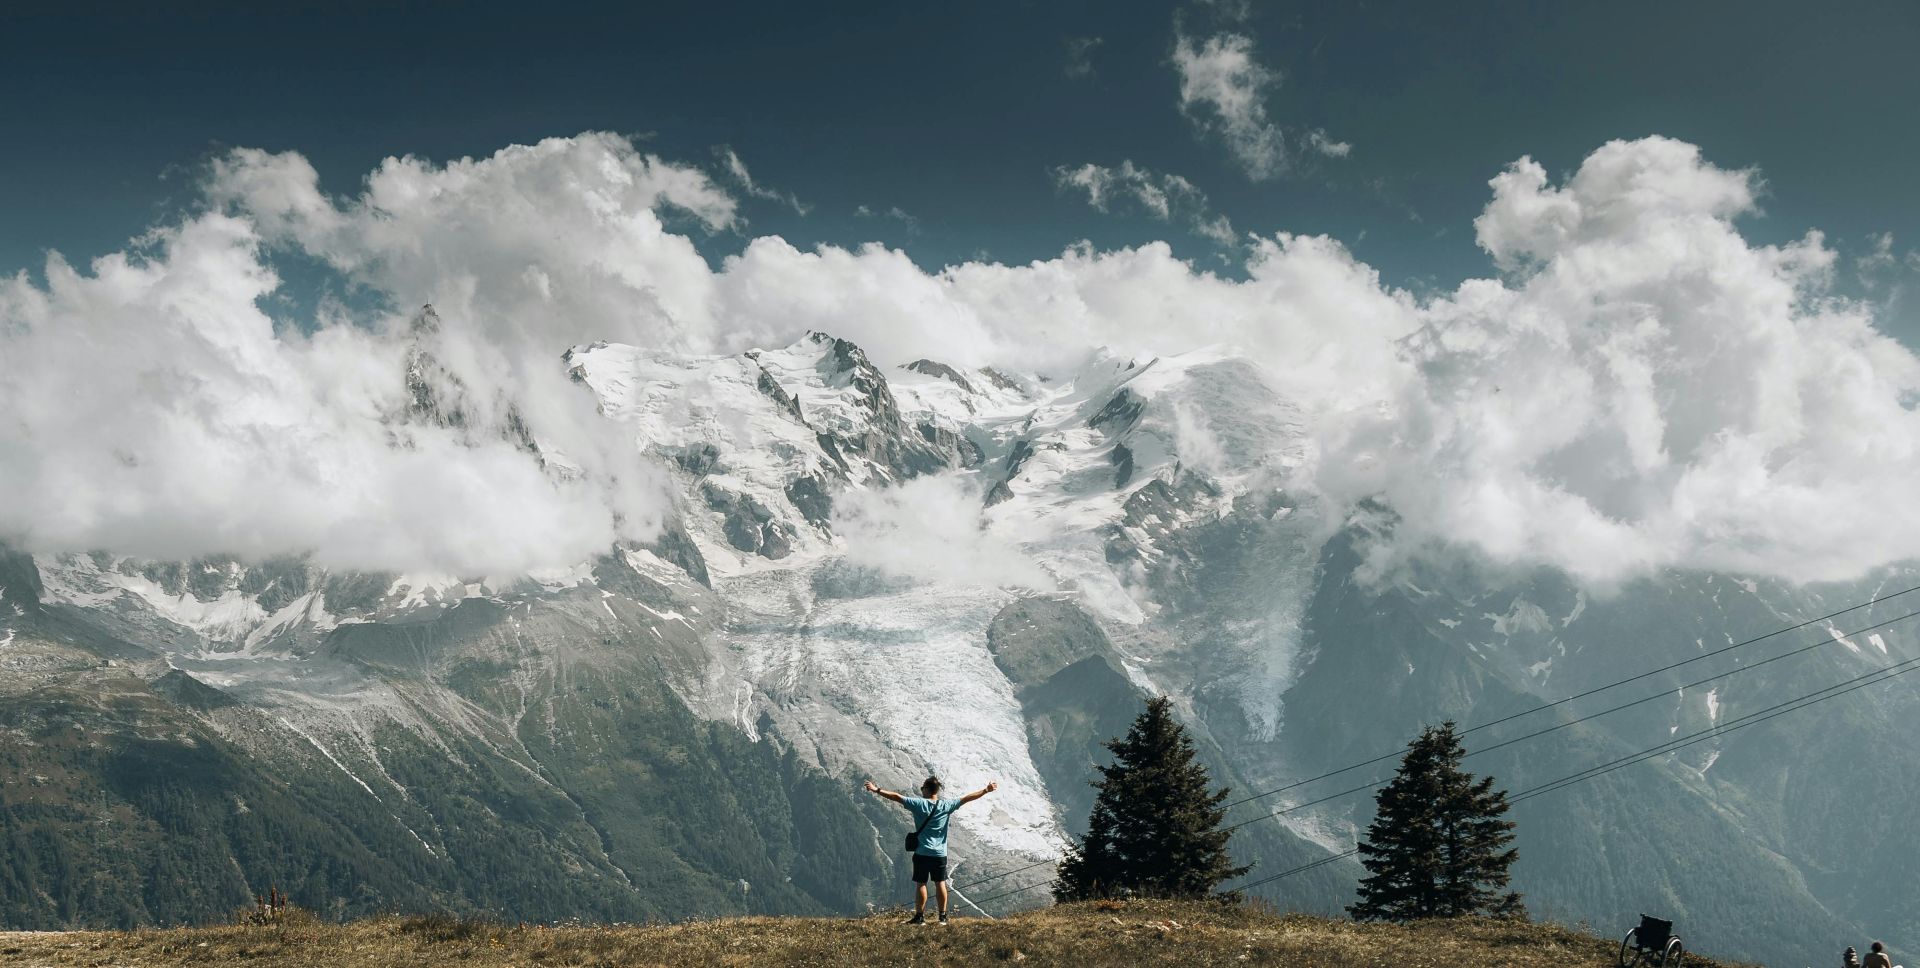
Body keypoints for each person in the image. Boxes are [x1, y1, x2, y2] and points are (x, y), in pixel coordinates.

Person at [864, 775, 997, 924]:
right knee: (940, 883)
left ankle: (919, 917)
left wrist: (877, 790)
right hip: (939, 853)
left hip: (922, 852)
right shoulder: (946, 805)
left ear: (927, 789)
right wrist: (986, 790)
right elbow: (966, 798)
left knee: (921, 883)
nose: (921, 791)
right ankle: (943, 917)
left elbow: (896, 797)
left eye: (922, 788)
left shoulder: (918, 804)